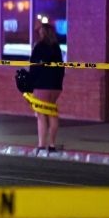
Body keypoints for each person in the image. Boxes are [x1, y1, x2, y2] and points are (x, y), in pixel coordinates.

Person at [29, 22, 65, 152]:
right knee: (52, 113)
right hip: (55, 86)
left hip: (42, 85)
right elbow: (61, 68)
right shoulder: (56, 47)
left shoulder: (39, 46)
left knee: (41, 114)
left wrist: (31, 83)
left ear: (43, 33)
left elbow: (33, 67)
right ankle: (52, 145)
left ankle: (41, 144)